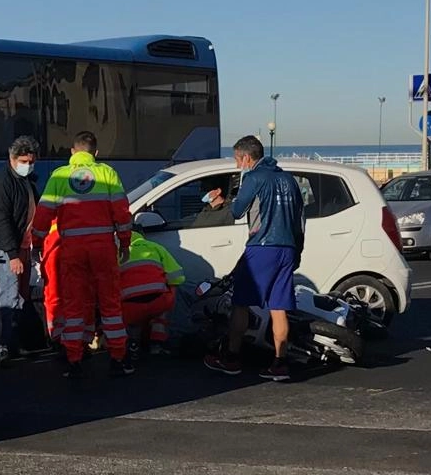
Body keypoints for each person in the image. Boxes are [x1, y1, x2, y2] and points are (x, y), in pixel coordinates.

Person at [32, 131, 134, 379]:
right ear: (95, 153)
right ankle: (118, 359)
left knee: (73, 305)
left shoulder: (60, 176)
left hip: (72, 250)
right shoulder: (107, 174)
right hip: (103, 249)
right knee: (110, 304)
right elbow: (122, 214)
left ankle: (74, 361)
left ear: (72, 152)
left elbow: (43, 214)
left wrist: (36, 243)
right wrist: (124, 243)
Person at [203, 135, 305, 381]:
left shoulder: (254, 177)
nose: (238, 165)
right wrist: (298, 250)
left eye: (238, 160)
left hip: (262, 246)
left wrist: (223, 200)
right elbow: (301, 218)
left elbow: (238, 211)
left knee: (241, 303)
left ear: (247, 157)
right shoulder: (289, 180)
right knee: (278, 308)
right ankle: (280, 363)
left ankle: (231, 358)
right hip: (288, 247)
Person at [0, 135, 39, 363]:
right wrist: (13, 255)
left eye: (31, 161)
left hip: (22, 247)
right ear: (12, 158)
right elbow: (1, 221)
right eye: (24, 161)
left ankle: (13, 343)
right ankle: (2, 346)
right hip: (7, 249)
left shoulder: (25, 181)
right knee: (9, 296)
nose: (28, 165)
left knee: (20, 295)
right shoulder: (2, 183)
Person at [119, 225, 186, 361]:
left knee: (133, 320)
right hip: (158, 303)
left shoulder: (117, 252)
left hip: (130, 308)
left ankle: (133, 344)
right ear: (142, 234)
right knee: (170, 293)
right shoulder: (156, 247)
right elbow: (177, 277)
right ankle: (157, 342)